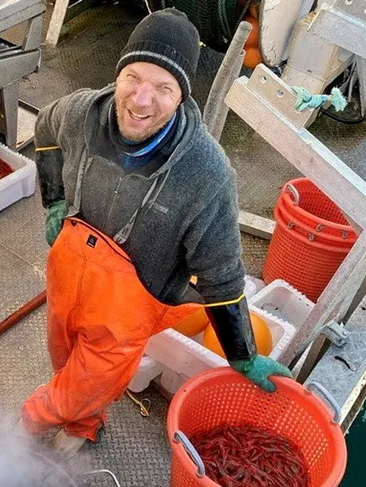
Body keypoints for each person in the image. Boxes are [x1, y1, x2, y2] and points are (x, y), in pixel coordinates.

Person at [17, 8, 292, 456]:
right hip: (66, 278)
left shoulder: (206, 173)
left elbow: (221, 275)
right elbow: (45, 127)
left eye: (163, 88)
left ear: (182, 96)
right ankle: (84, 425)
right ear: (118, 73)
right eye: (133, 78)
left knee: (78, 385)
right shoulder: (84, 112)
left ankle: (27, 427)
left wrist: (242, 353)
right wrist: (54, 201)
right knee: (65, 360)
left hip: (129, 309)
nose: (142, 100)